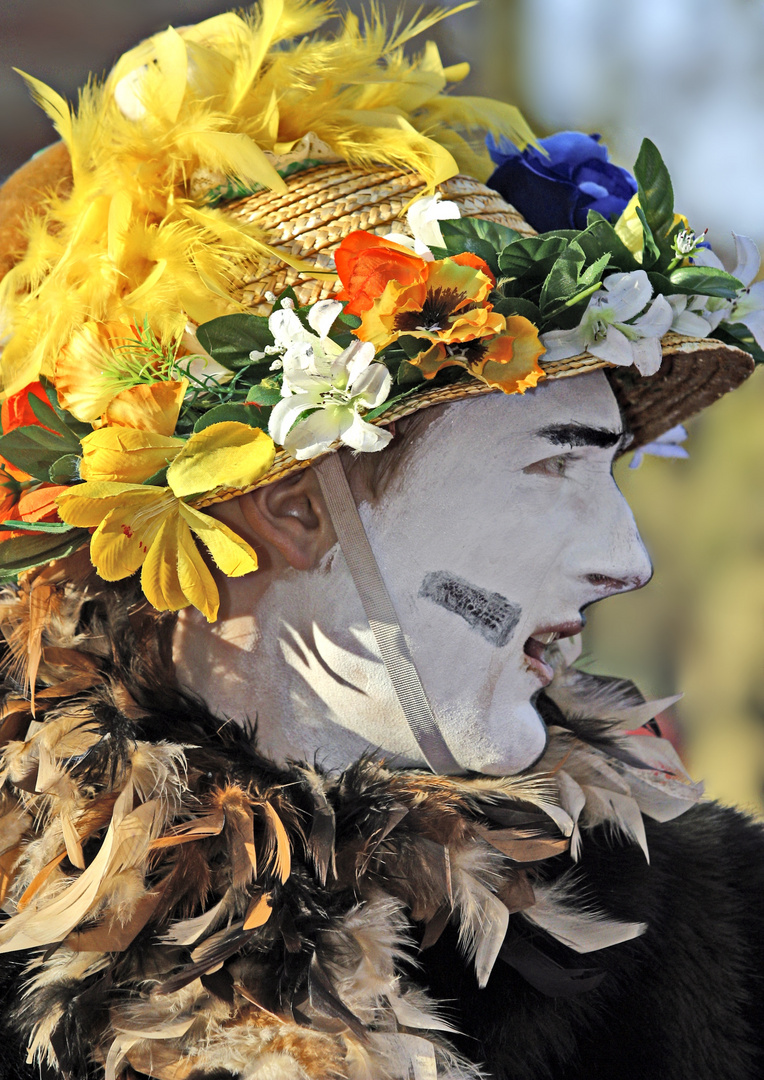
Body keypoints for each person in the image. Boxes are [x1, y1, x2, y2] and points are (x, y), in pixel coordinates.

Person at [0, 5, 762, 1079]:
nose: (625, 558)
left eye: (611, 468)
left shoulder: (714, 929)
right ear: (295, 506)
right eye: (551, 463)